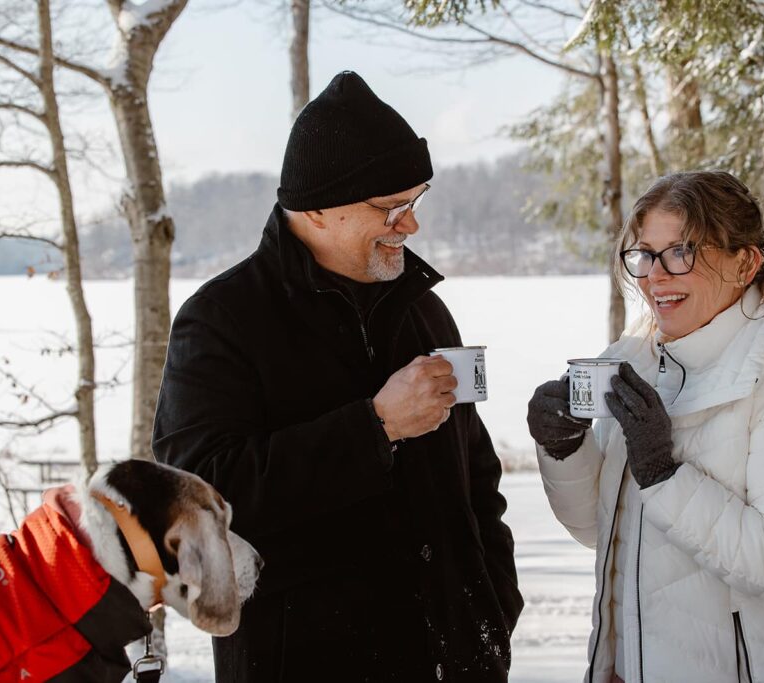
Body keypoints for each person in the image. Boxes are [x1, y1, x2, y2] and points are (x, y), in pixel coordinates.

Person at [153, 71, 522, 682]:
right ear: (317, 208)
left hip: (455, 658)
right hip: (306, 661)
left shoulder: (421, 309)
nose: (411, 226)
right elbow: (193, 504)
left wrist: (492, 601)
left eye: (416, 201)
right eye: (391, 208)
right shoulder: (223, 319)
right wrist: (374, 428)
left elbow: (476, 477)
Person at [527, 170, 764, 683]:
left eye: (681, 252)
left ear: (745, 262)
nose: (654, 276)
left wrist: (664, 473)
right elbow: (600, 532)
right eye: (644, 254)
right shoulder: (635, 360)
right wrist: (564, 448)